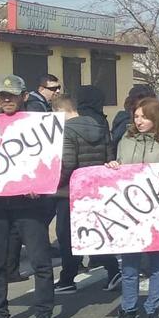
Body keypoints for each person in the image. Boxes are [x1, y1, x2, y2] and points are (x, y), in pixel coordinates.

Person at [0, 75, 58, 318]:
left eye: (12, 95)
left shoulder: (39, 126)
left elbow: (50, 161)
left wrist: (42, 183)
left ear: (24, 97)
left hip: (29, 205)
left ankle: (44, 313)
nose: (7, 99)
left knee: (40, 262)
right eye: (3, 95)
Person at [102, 97, 159, 318]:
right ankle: (128, 310)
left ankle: (152, 309)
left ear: (155, 117)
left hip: (156, 212)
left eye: (144, 117)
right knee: (129, 265)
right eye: (136, 116)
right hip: (129, 212)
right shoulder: (126, 140)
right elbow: (120, 168)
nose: (139, 121)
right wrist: (114, 166)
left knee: (158, 264)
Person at [50, 94, 118, 294]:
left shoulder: (66, 131)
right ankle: (112, 270)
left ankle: (68, 279)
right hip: (95, 190)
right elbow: (109, 157)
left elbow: (68, 164)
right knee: (93, 234)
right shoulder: (100, 126)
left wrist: (52, 184)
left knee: (67, 237)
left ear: (60, 111)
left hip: (69, 192)